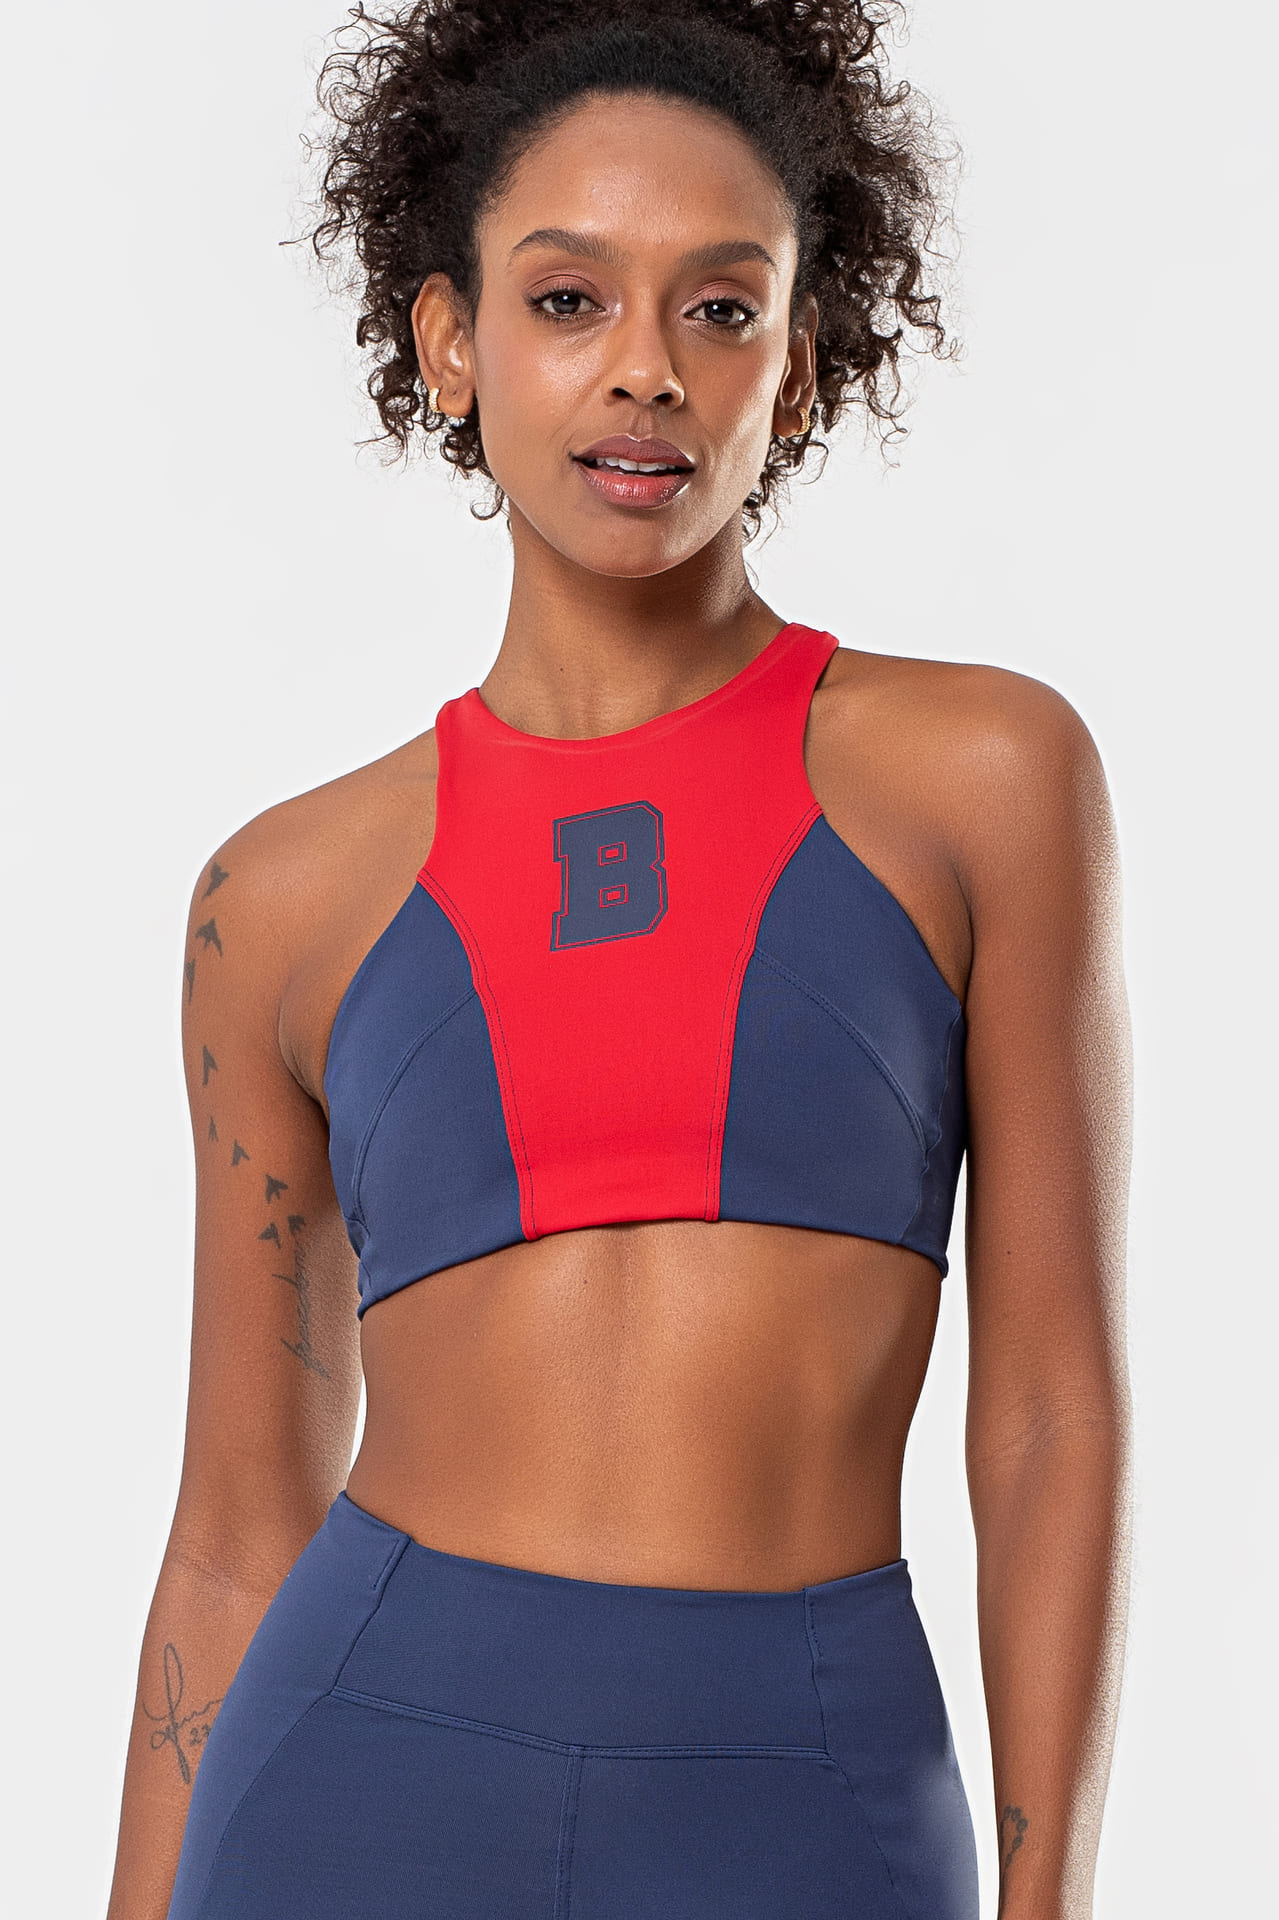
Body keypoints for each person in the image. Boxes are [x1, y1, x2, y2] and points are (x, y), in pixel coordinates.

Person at [106, 2, 1133, 1915]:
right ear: (451, 343)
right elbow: (237, 1529)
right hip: (356, 1783)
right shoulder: (285, 897)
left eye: (721, 309)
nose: (647, 369)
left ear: (797, 370)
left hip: (808, 1793)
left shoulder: (982, 779)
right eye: (568, 299)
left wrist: (1049, 1893)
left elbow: (1050, 1412)